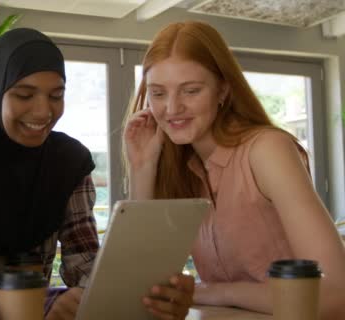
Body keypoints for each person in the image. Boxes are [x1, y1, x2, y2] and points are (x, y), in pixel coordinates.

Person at [0, 27, 194, 320]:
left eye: (56, 95)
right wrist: (38, 300)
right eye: (24, 95)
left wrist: (121, 291)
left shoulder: (68, 162)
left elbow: (84, 261)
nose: (43, 111)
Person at [123, 21, 345, 319]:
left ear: (223, 91)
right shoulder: (181, 168)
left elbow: (337, 294)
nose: (172, 108)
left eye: (190, 90)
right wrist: (142, 169)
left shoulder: (267, 150)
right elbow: (143, 289)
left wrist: (213, 291)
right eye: (158, 93)